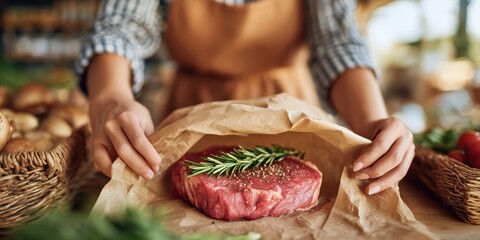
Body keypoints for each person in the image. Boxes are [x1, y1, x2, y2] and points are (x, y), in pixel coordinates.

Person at [76, 0, 414, 196]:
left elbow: (338, 43)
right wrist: (110, 96)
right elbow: (120, 27)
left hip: (293, 115)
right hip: (192, 114)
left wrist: (370, 121)